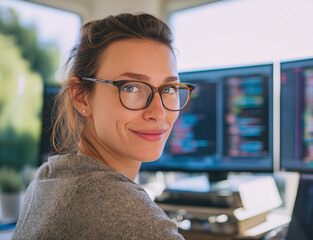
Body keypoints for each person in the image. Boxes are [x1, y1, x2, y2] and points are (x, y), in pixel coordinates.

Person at [12, 12, 194, 239]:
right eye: (131, 87)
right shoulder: (134, 221)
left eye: (168, 89)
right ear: (81, 97)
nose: (158, 112)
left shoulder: (48, 180)